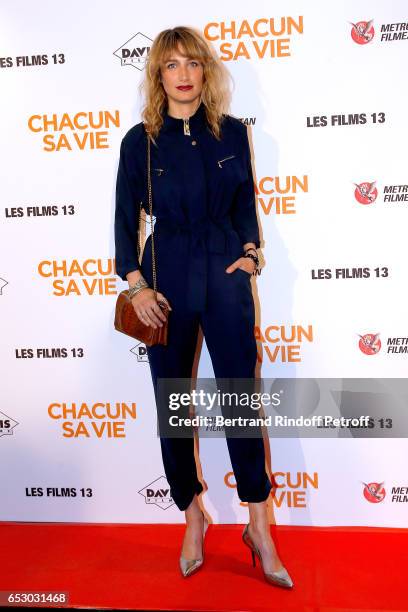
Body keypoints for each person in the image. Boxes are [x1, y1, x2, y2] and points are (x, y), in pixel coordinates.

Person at [114, 25, 293, 588]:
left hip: (223, 270)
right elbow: (124, 223)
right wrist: (137, 285)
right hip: (165, 275)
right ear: (158, 75)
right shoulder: (137, 141)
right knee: (174, 406)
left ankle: (258, 524)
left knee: (240, 397)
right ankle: (191, 514)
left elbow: (245, 205)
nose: (184, 74)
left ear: (205, 71)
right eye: (172, 65)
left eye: (193, 63)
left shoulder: (234, 133)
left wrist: (249, 251)